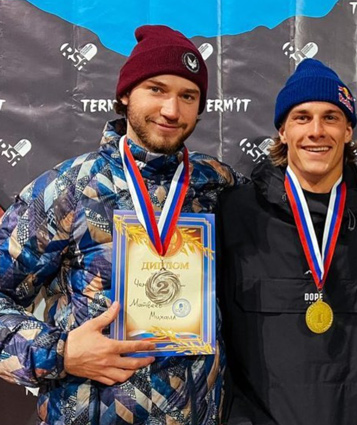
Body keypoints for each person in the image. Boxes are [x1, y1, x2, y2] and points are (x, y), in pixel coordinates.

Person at [0, 25, 245, 425]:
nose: (172, 110)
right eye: (156, 89)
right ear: (126, 94)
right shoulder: (69, 188)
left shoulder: (217, 184)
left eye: (188, 96)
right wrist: (60, 352)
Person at [218, 59, 357, 424]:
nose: (316, 131)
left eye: (331, 117)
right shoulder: (234, 213)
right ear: (282, 131)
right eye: (302, 117)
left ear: (348, 131)